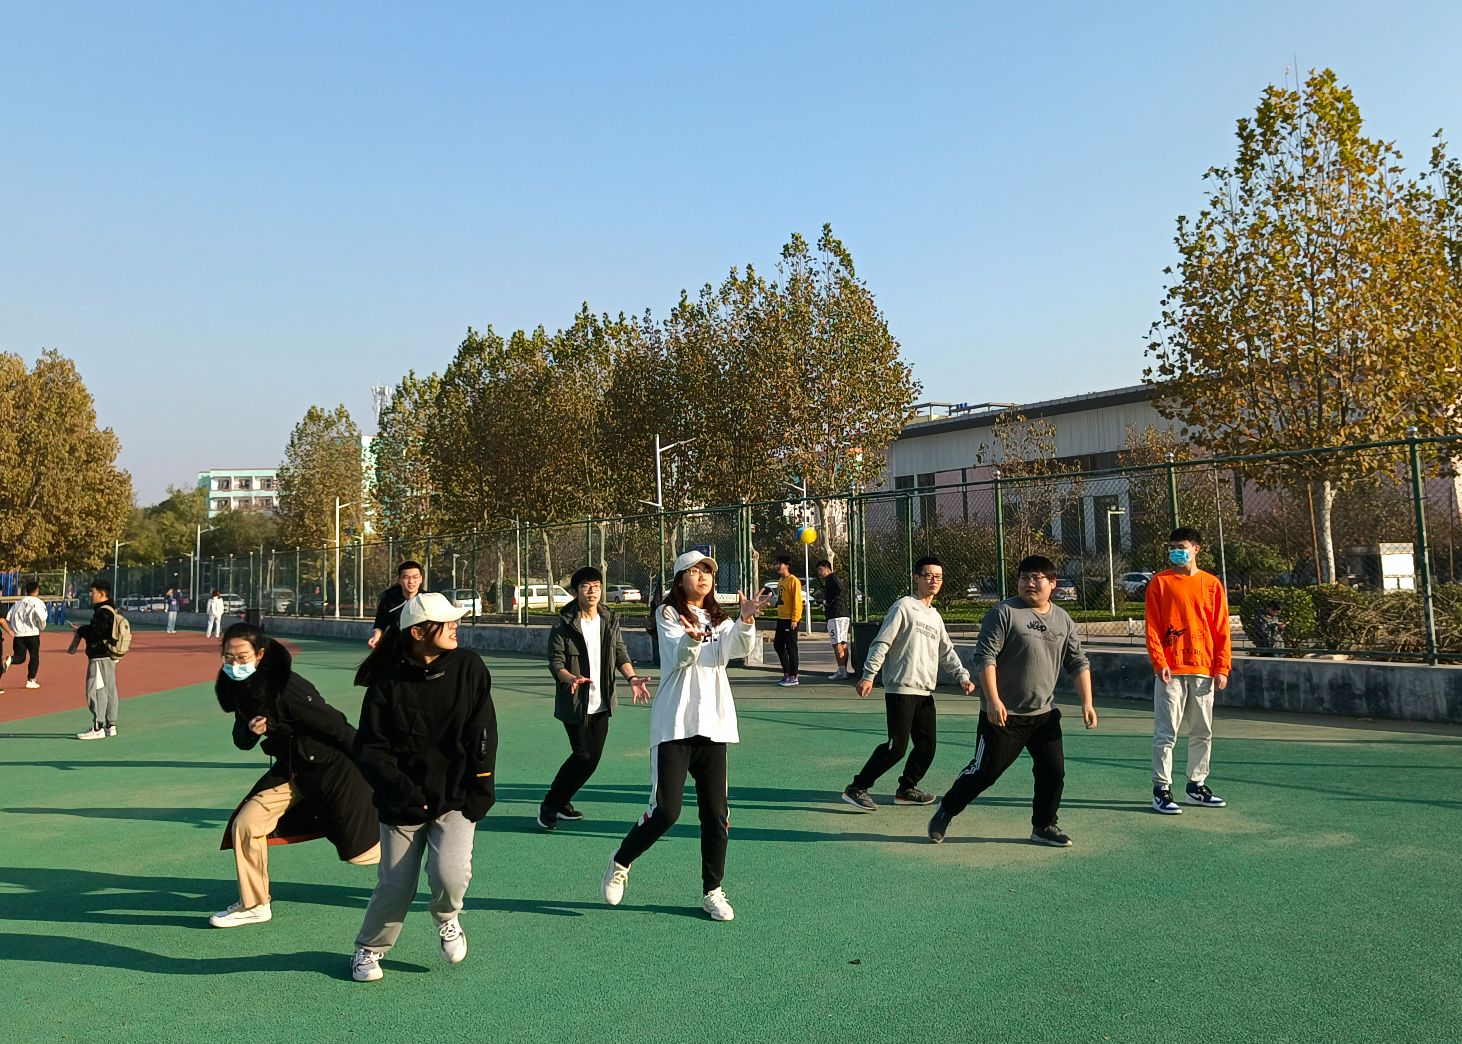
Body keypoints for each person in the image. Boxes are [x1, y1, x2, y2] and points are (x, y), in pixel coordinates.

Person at [599, 550, 770, 922]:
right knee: (666, 811)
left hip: (714, 726)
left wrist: (745, 620)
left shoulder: (721, 620)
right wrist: (692, 639)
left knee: (716, 815)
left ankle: (713, 891)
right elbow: (679, 657)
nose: (703, 576)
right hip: (675, 725)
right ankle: (621, 861)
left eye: (708, 571)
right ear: (680, 579)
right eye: (694, 571)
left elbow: (736, 650)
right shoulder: (667, 614)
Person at [350, 592, 497, 983]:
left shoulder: (469, 666)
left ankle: (447, 917)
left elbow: (483, 731)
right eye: (445, 622)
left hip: (455, 795)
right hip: (402, 800)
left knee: (450, 874)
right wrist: (403, 792)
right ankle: (368, 948)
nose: (455, 626)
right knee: (395, 885)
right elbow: (370, 748)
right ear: (418, 632)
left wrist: (482, 786)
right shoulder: (386, 681)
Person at [210, 623, 380, 928]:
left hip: (331, 769)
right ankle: (255, 905)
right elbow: (241, 740)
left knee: (362, 853)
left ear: (260, 654)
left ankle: (411, 862)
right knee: (246, 824)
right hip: (291, 770)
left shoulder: (288, 687)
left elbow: (336, 725)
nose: (235, 664)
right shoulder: (238, 688)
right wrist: (250, 730)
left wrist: (374, 765)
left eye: (242, 657)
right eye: (228, 657)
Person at [926, 556, 1098, 847]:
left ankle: (1044, 826)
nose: (1029, 583)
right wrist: (993, 700)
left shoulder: (1063, 620)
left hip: (1044, 714)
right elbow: (985, 657)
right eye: (1024, 577)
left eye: (1036, 577)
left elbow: (1078, 662)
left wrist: (1087, 703)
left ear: (1052, 584)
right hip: (1004, 714)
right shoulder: (1003, 612)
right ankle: (947, 809)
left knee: (1053, 772)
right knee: (985, 772)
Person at [841, 556, 975, 811]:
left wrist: (962, 676)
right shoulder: (904, 606)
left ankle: (906, 789)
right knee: (896, 748)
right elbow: (882, 641)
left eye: (938, 577)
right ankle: (857, 788)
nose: (934, 581)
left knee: (927, 747)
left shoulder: (934, 616)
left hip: (924, 692)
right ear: (917, 578)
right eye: (928, 575)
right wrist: (869, 674)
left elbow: (946, 651)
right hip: (901, 689)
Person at [539, 566, 651, 830]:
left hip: (602, 702)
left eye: (597, 586)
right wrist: (570, 678)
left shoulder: (609, 619)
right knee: (583, 754)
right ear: (575, 591)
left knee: (592, 759)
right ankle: (550, 804)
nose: (592, 591)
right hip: (575, 702)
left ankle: (563, 802)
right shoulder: (563, 625)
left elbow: (620, 652)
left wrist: (632, 678)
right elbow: (556, 662)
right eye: (586, 586)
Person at [1145, 527, 1232, 814]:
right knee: (1166, 732)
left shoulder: (1212, 584)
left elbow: (1221, 629)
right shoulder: (1160, 583)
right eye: (1172, 547)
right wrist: (1159, 662)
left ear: (1196, 549)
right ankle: (1161, 789)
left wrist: (1222, 667)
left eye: (1181, 546)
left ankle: (1196, 786)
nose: (1175, 552)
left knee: (1202, 731)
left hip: (1203, 669)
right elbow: (1153, 626)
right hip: (1170, 670)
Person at [67, 580, 124, 740]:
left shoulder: (102, 613)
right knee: (109, 689)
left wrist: (82, 630)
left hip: (99, 656)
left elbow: (97, 633)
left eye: (93, 592)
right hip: (109, 656)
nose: (91, 595)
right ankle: (110, 725)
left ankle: (98, 726)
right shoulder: (111, 610)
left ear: (102, 594)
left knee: (96, 690)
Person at [366, 560, 424, 649]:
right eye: (406, 577)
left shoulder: (427, 600)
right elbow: (381, 622)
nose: (411, 581)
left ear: (420, 579)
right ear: (399, 580)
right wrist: (376, 638)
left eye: (415, 577)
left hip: (421, 647)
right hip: (396, 647)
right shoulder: (389, 600)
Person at [816, 560, 850, 681]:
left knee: (837, 644)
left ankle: (842, 671)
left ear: (827, 568)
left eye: (820, 569)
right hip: (842, 615)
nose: (819, 572)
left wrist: (828, 601)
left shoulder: (832, 579)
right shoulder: (831, 580)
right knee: (843, 643)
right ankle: (843, 670)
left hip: (836, 616)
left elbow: (839, 589)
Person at [772, 554, 802, 687]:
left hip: (790, 619)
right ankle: (787, 672)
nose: (778, 566)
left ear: (787, 566)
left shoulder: (793, 580)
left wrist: (795, 619)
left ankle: (794, 676)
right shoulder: (780, 581)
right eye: (777, 563)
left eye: (780, 564)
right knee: (778, 645)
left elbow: (797, 601)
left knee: (791, 647)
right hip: (781, 618)